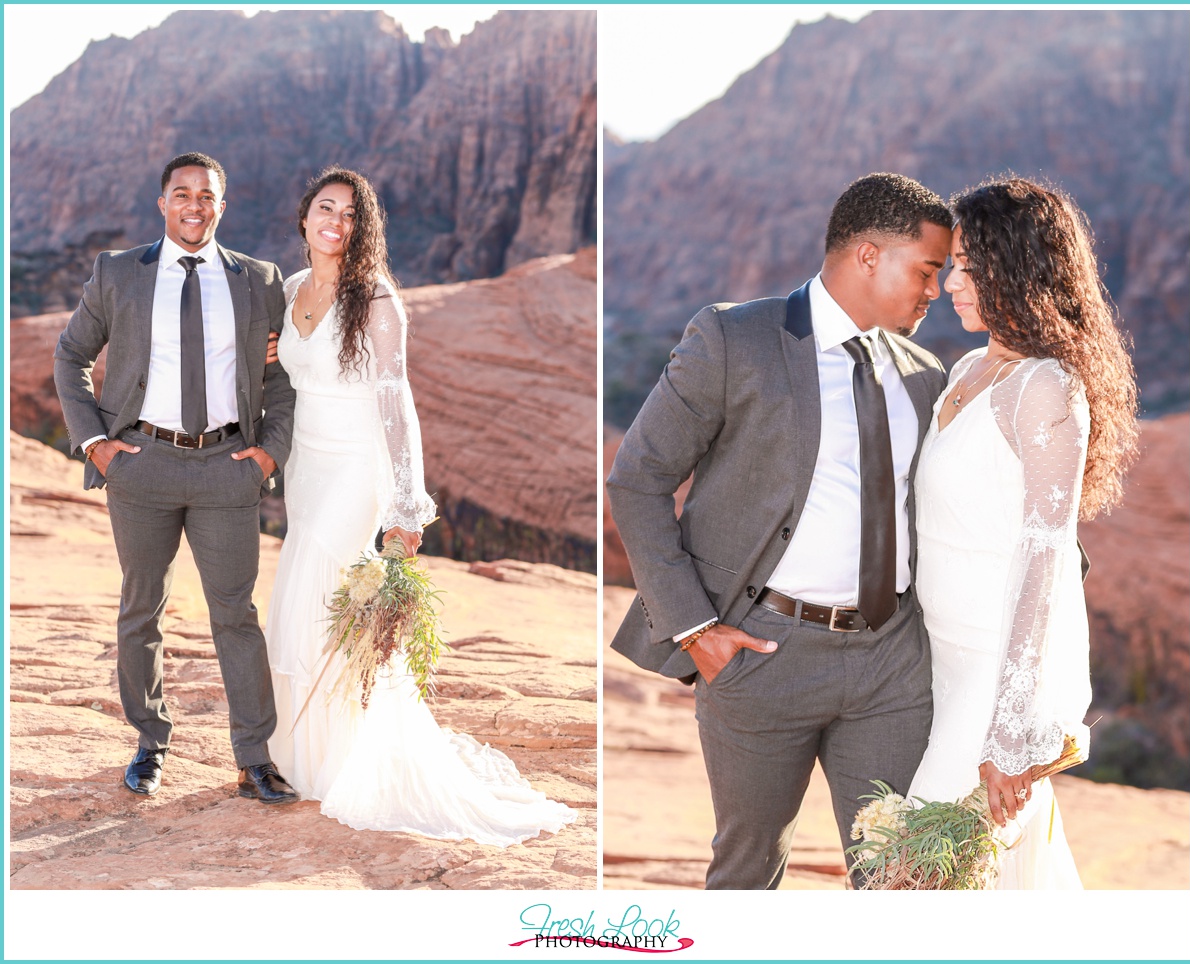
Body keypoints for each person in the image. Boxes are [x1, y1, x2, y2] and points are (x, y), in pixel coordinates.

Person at [607, 172, 953, 888]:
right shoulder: (736, 338)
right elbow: (637, 479)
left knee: (900, 876)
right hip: (762, 654)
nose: (935, 292)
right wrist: (697, 630)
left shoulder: (923, 374)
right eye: (926, 270)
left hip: (892, 662)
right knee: (747, 875)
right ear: (867, 255)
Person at [263, 166, 575, 845]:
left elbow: (394, 401)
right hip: (305, 465)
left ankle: (340, 764)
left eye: (350, 214)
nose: (335, 223)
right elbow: (283, 368)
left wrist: (407, 503)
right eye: (325, 208)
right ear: (304, 216)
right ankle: (297, 756)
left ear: (361, 228)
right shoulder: (288, 291)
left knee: (315, 586)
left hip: (354, 467)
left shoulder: (374, 298)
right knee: (305, 602)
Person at [907, 176, 1138, 887]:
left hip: (992, 670)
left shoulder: (1045, 388)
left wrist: (1010, 727)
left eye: (971, 266)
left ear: (1019, 266)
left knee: (924, 874)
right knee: (971, 885)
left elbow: (1044, 559)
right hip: (936, 663)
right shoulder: (968, 369)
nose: (952, 283)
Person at [53, 152, 300, 804]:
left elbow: (280, 381)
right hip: (141, 465)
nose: (195, 206)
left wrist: (270, 453)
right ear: (163, 202)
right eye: (182, 194)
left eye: (207, 195)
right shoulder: (118, 273)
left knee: (236, 617)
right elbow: (72, 353)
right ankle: (150, 743)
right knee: (142, 609)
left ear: (223, 203)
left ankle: (253, 758)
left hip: (227, 469)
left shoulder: (258, 279)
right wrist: (96, 444)